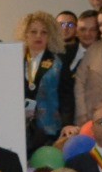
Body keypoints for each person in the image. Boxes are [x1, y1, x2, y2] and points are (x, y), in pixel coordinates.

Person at [16, 12, 71, 149]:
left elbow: (66, 96)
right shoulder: (14, 60)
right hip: (19, 127)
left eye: (44, 32)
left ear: (50, 36)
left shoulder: (59, 62)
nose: (38, 36)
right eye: (33, 32)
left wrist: (67, 123)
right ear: (25, 35)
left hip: (50, 128)